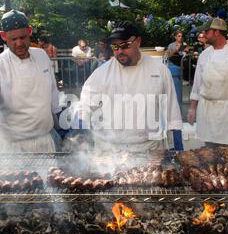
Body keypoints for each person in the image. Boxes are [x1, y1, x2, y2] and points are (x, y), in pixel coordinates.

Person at [0, 9, 61, 153]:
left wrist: (60, 120)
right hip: (12, 148)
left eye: (23, 37)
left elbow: (52, 93)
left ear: (29, 31)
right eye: (13, 39)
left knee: (52, 177)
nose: (19, 43)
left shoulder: (42, 57)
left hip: (44, 142)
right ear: (3, 36)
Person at [77, 21, 183, 152]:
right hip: (109, 151)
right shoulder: (101, 74)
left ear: (138, 42)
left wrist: (177, 148)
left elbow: (172, 113)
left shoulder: (159, 70)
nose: (120, 51)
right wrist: (80, 133)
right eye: (115, 47)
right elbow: (85, 107)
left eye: (125, 45)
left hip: (148, 150)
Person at [188, 17, 228, 149]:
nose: (204, 35)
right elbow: (197, 84)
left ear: (217, 32)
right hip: (207, 110)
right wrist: (192, 108)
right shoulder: (204, 55)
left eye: (207, 32)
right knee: (210, 153)